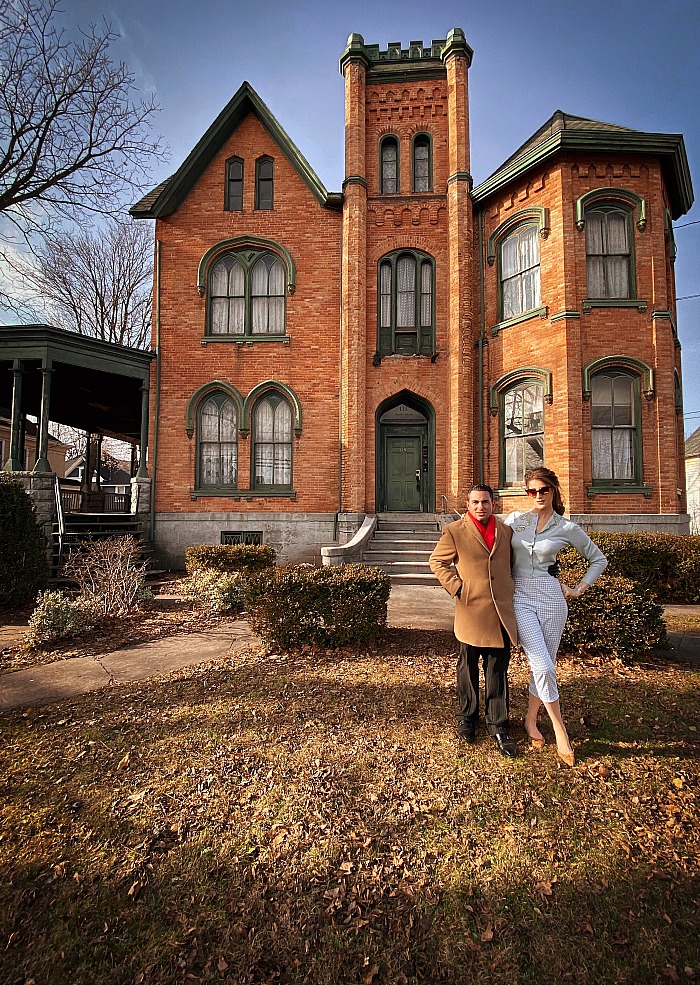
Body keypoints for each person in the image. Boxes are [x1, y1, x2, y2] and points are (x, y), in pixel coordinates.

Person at [504, 467, 607, 767]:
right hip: (520, 597)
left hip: (552, 599)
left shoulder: (567, 527)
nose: (537, 496)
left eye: (543, 490)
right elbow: (493, 548)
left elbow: (598, 559)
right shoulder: (516, 521)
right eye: (531, 491)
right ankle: (561, 731)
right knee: (544, 664)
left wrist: (578, 589)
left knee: (546, 662)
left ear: (553, 491)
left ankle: (531, 719)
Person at [429, 484, 519, 758]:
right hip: (471, 612)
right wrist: (458, 588)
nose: (481, 507)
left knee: (497, 670)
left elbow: (511, 565)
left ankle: (498, 724)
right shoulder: (455, 531)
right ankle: (467, 717)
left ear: (494, 504)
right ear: (468, 505)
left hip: (500, 613)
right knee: (467, 667)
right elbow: (437, 562)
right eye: (476, 502)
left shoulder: (506, 532)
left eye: (486, 502)